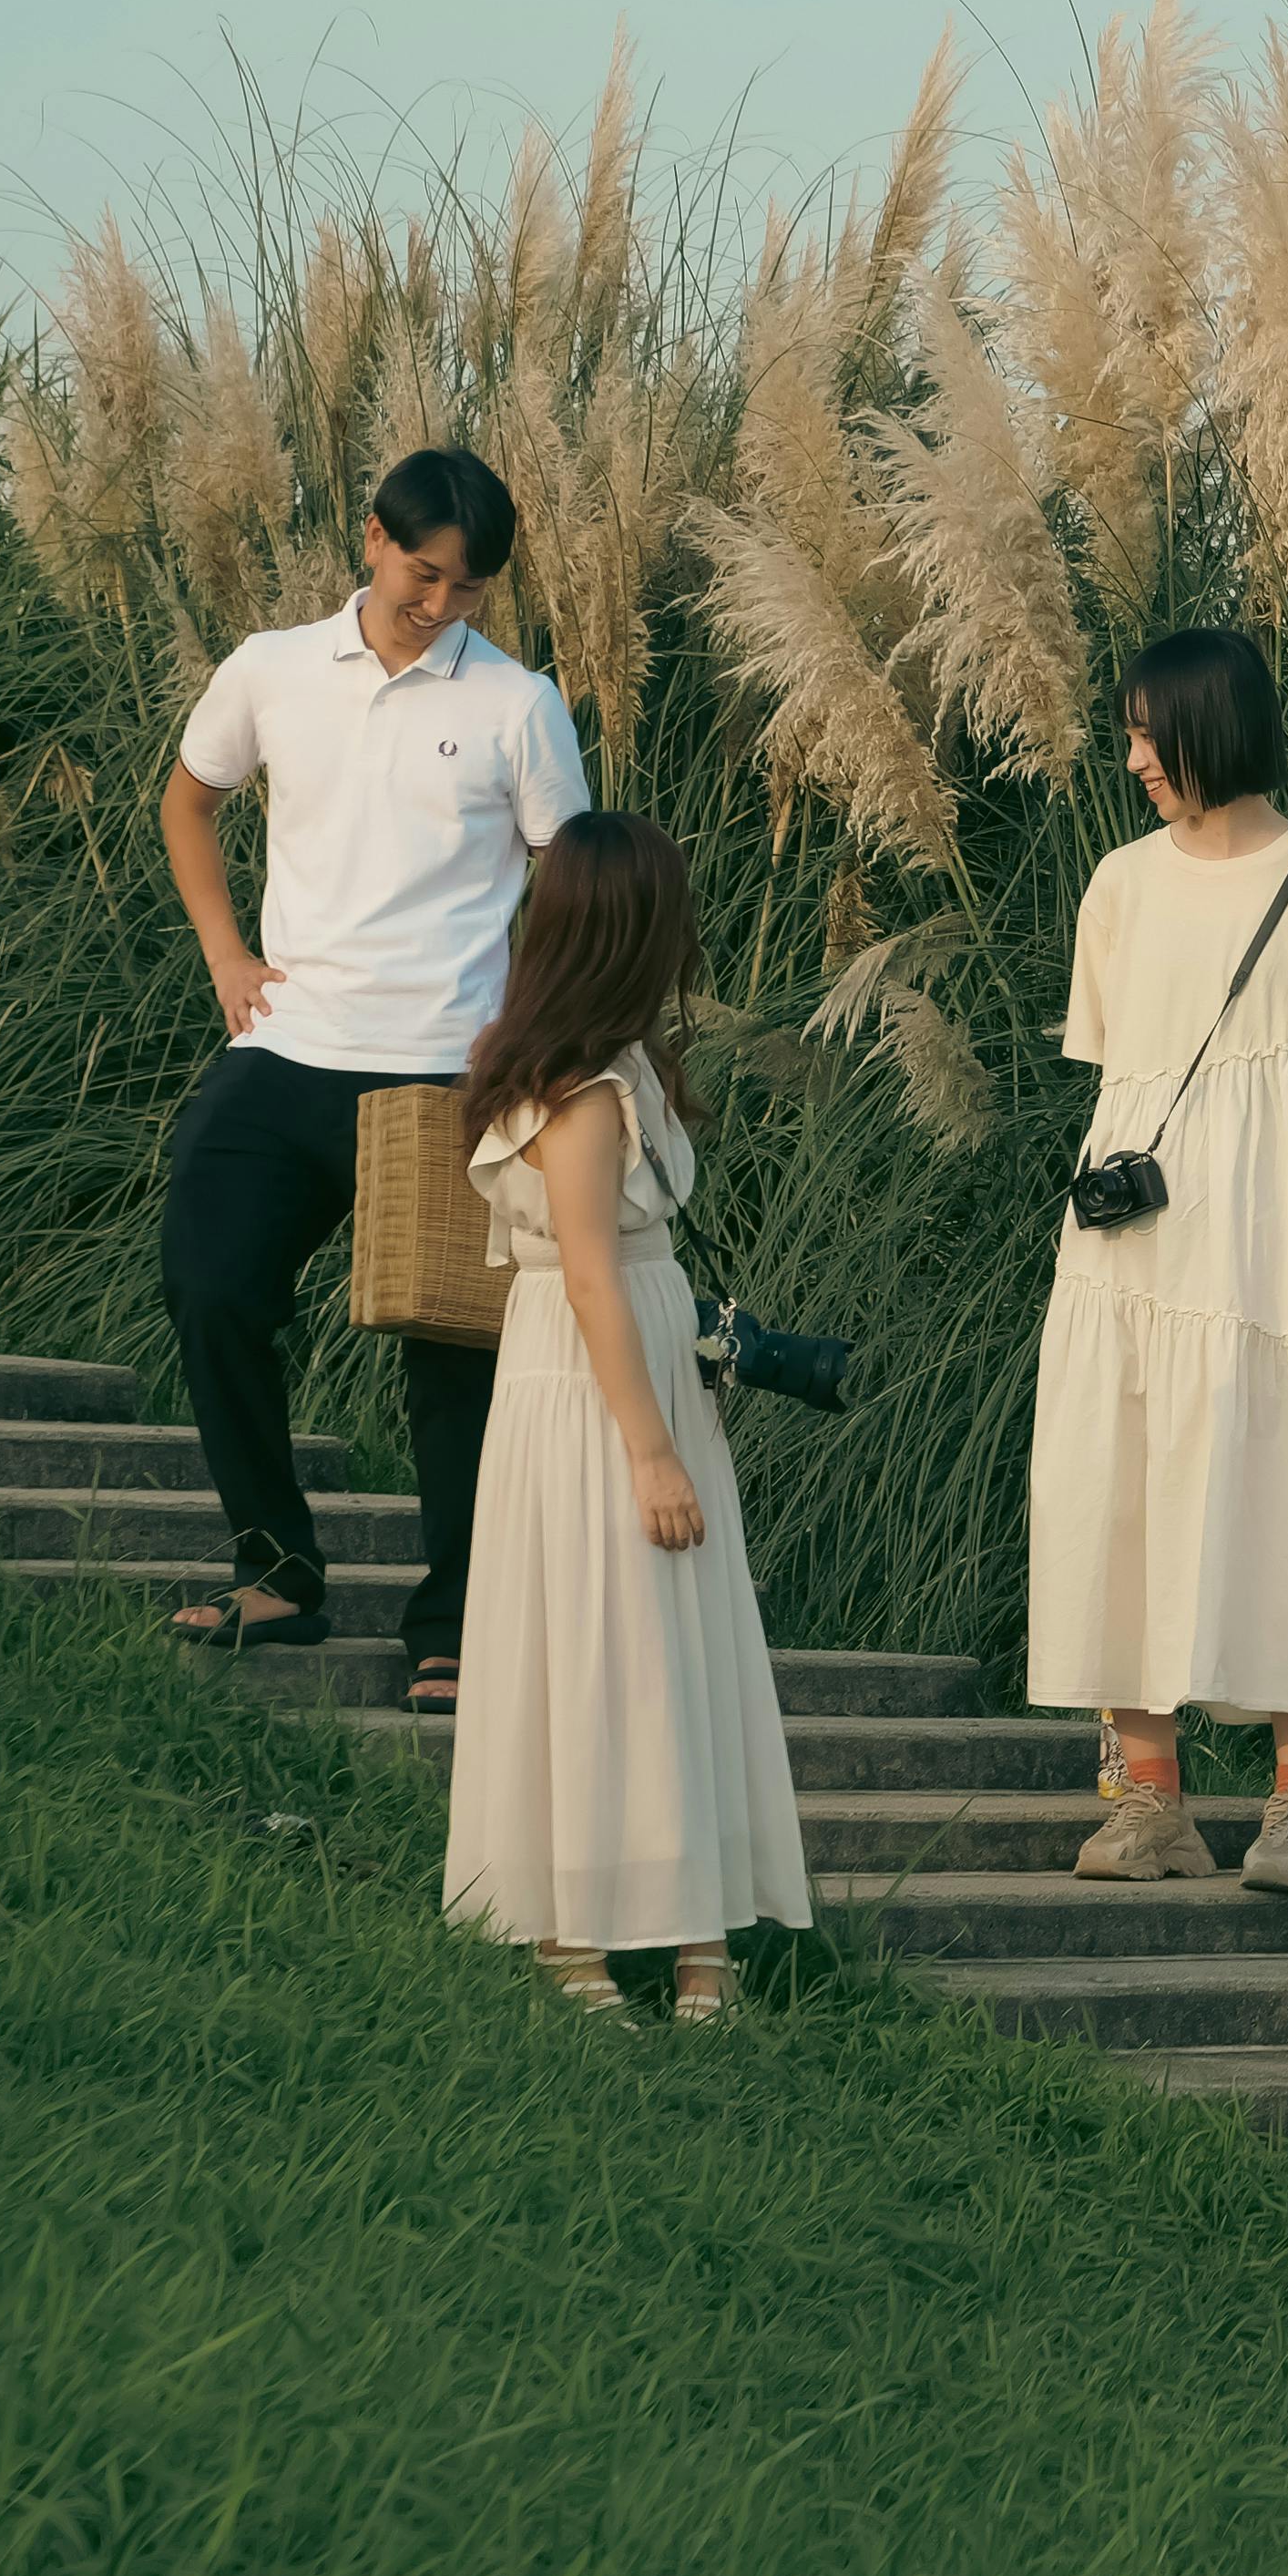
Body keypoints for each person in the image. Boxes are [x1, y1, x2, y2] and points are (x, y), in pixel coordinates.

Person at [154, 447, 592, 1715]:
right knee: (211, 1281)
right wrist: (228, 956)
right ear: (371, 537)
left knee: (453, 1347)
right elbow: (189, 803)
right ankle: (280, 1571)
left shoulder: (519, 704)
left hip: (446, 1072)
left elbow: (569, 887)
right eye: (423, 571)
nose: (441, 604)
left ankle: (451, 1627)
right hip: (286, 1051)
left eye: (469, 587)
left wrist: (536, 1046)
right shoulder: (273, 668)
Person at [1027, 627, 1288, 1897]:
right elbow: (1116, 1070)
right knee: (1125, 1471)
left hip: (1274, 1241)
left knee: (1287, 1476)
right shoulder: (1119, 884)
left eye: (1152, 731)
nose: (1133, 755)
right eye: (1130, 730)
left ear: (1215, 726)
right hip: (1134, 1239)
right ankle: (1150, 1794)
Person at [438, 814, 811, 2019]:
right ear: (630, 933)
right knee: (603, 1632)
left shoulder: (623, 1067)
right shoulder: (581, 1092)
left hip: (630, 1351)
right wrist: (650, 1451)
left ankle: (693, 1932)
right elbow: (590, 1269)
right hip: (592, 1378)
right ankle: (576, 1933)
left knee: (663, 1634)